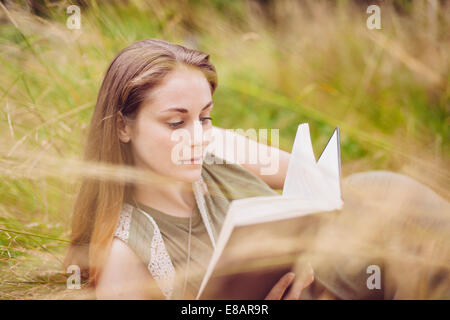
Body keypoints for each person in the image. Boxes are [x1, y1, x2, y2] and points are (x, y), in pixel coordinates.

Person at [62, 39, 449, 300]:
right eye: (176, 123)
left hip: (332, 265)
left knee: (391, 202)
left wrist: (302, 252)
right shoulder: (125, 254)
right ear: (122, 126)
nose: (197, 136)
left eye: (206, 116)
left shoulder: (212, 145)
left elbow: (316, 185)